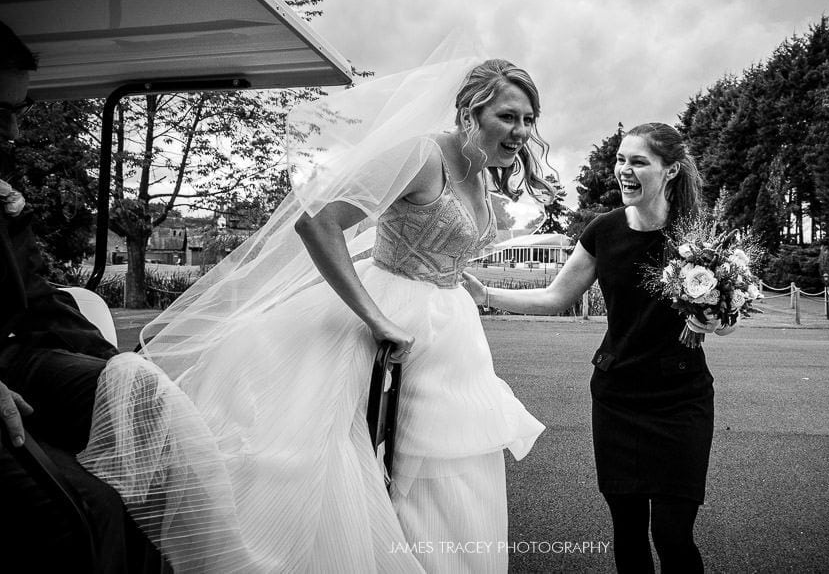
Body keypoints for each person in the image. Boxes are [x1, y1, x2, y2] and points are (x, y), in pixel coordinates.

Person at [79, 55, 552, 572]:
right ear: (470, 111)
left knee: (453, 461)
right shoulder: (422, 155)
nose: (521, 131)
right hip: (391, 316)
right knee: (370, 459)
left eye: (528, 120)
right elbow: (318, 223)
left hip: (453, 331)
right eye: (508, 116)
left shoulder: (482, 172)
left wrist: (456, 278)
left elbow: (438, 242)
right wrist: (377, 319)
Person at [462, 123, 738, 573]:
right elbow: (555, 297)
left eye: (639, 162)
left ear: (669, 171)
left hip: (681, 399)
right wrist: (485, 295)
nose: (624, 171)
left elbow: (728, 319)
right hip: (618, 396)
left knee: (672, 532)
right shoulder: (603, 231)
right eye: (621, 160)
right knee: (627, 530)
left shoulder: (699, 238)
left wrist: (713, 320)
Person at [0, 21, 163, 571]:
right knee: (92, 508)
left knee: (146, 408)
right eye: (4, 112)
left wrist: (116, 361)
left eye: (22, 111)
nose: (17, 132)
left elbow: (37, 297)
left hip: (16, 356)